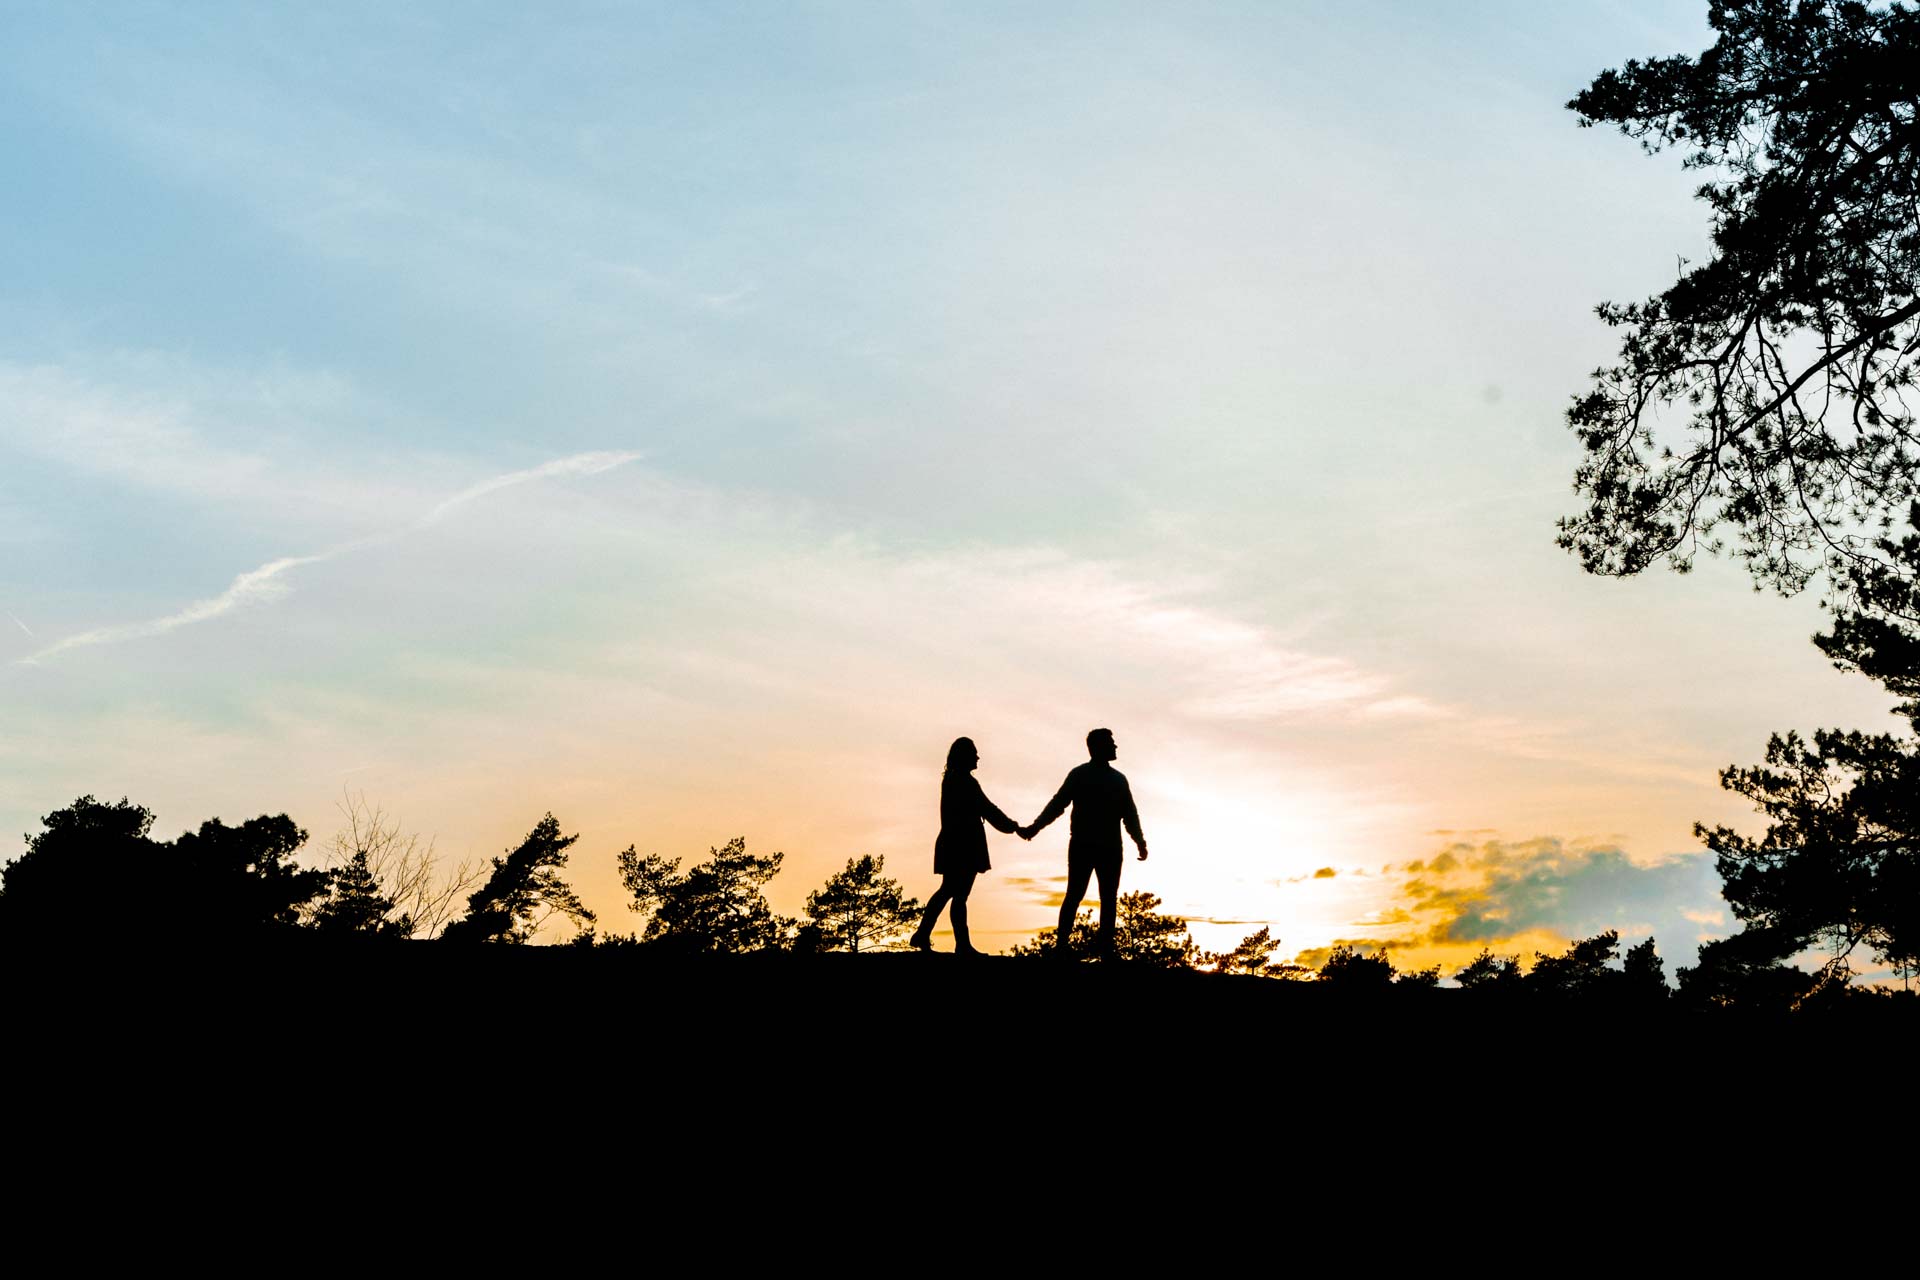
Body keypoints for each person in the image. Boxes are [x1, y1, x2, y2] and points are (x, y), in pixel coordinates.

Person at [1020, 728, 1148, 958]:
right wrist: (1035, 827)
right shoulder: (1081, 775)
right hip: (1084, 845)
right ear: (1097, 747)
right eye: (1111, 743)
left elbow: (1129, 814)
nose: (1115, 747)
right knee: (1077, 895)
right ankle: (1063, 946)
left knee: (1107, 898)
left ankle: (1104, 949)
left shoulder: (1117, 779)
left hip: (1108, 847)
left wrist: (1139, 840)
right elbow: (1058, 804)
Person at [909, 736, 1019, 956]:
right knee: (958, 894)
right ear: (964, 756)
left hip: (954, 842)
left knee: (947, 890)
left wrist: (1010, 826)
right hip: (963, 845)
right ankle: (961, 944)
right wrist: (1014, 827)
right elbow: (987, 808)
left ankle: (924, 934)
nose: (978, 757)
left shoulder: (952, 779)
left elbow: (985, 808)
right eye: (974, 753)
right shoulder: (965, 781)